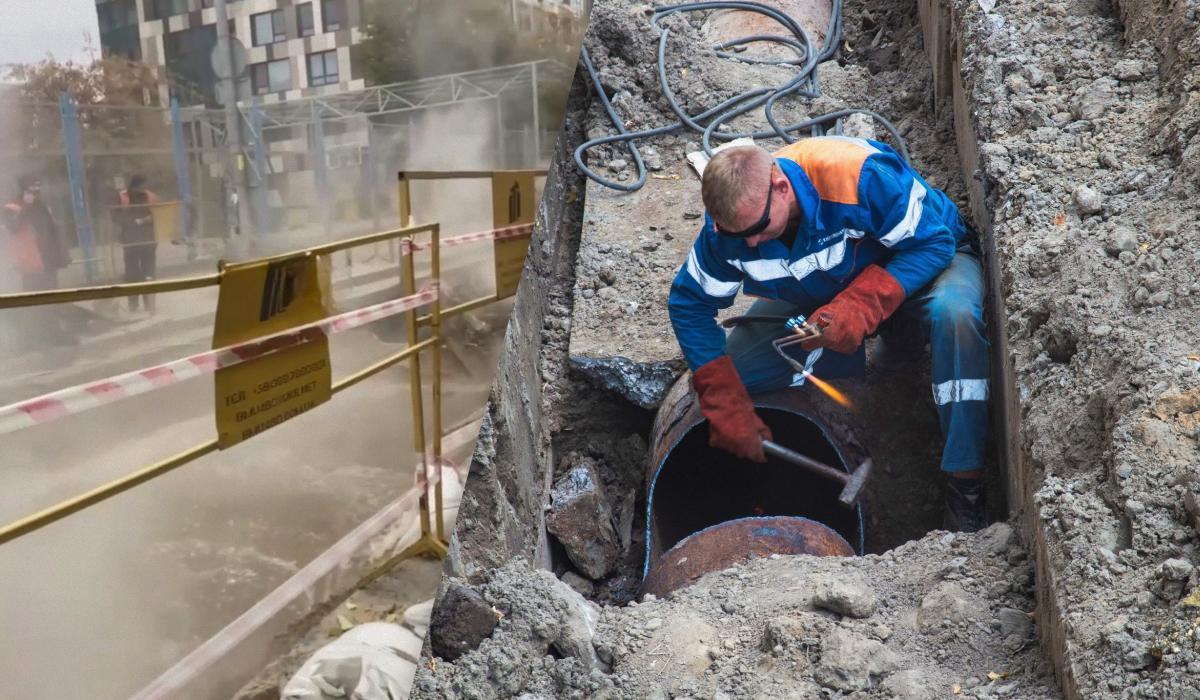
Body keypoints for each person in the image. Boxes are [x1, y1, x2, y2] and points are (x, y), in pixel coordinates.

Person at [667, 137, 990, 532]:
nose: (750, 242)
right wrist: (724, 401)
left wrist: (861, 305)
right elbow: (690, 303)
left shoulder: (856, 177)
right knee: (738, 376)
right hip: (825, 293)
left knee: (956, 317)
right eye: (738, 235)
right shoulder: (730, 231)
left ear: (781, 187)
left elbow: (933, 243)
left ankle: (966, 483)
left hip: (924, 265)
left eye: (757, 227)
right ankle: (882, 344)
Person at [4, 175, 69, 291]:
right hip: (28, 262)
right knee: (33, 298)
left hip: (48, 261)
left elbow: (52, 231)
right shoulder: (12, 208)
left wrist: (60, 255)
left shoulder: (42, 207)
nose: (36, 194)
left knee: (53, 296)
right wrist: (26, 206)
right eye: (32, 190)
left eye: (38, 190)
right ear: (23, 191)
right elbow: (13, 227)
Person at [114, 174, 159, 314]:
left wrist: (146, 220)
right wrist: (131, 223)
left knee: (149, 273)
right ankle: (133, 304)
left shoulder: (150, 196)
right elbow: (115, 216)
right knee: (132, 274)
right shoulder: (123, 197)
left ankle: (149, 304)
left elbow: (159, 214)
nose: (143, 189)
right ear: (133, 186)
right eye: (141, 186)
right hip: (130, 241)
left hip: (148, 240)